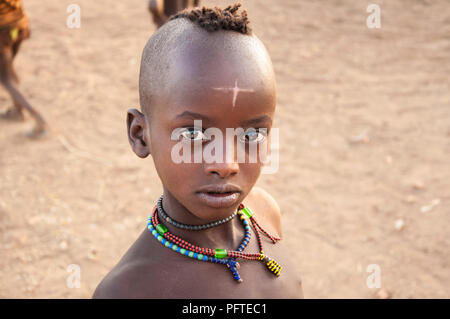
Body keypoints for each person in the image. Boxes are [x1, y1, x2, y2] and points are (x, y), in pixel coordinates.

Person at [93, 3, 303, 298]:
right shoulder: (130, 290)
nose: (226, 163)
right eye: (193, 133)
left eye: (252, 134)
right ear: (140, 135)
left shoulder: (265, 214)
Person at [0, 0, 46, 137]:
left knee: (6, 79)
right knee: (8, 71)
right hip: (20, 26)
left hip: (3, 33)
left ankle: (41, 122)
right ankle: (17, 111)